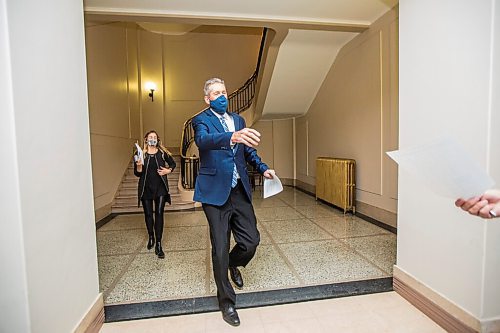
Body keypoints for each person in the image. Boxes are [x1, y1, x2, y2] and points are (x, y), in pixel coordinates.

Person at [192, 78, 275, 326]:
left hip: (238, 191)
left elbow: (248, 151)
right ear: (207, 99)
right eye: (216, 93)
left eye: (224, 92)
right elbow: (203, 141)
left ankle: (233, 262)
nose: (221, 96)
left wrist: (263, 169)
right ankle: (227, 302)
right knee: (219, 247)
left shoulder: (238, 119)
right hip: (214, 194)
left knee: (251, 241)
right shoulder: (201, 120)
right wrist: (231, 137)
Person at [134, 130, 176, 258]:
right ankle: (151, 237)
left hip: (161, 188)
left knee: (159, 213)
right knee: (148, 214)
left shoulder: (163, 153)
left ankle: (158, 243)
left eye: (155, 137)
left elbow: (173, 164)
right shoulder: (140, 154)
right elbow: (138, 174)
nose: (153, 139)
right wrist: (139, 166)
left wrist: (168, 170)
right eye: (150, 137)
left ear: (158, 140)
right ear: (146, 139)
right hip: (146, 188)